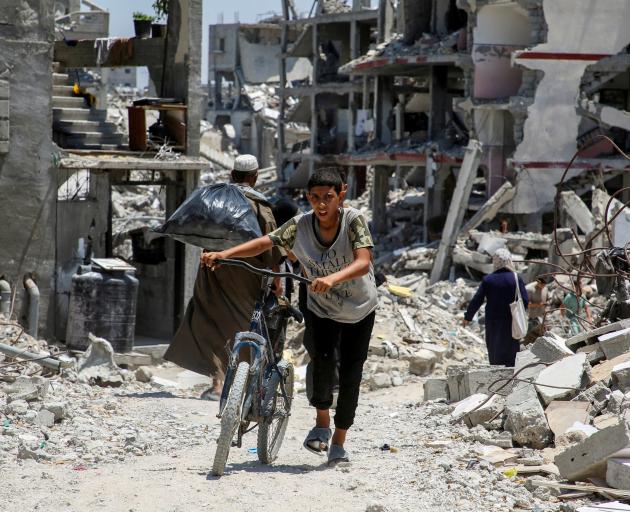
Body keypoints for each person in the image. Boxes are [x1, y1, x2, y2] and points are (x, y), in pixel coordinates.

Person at [203, 168, 378, 465]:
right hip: (321, 306)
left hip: (359, 308)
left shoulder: (353, 221)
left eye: (328, 197)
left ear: (342, 194)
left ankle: (339, 439)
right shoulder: (300, 225)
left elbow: (364, 262)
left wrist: (333, 279)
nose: (321, 205)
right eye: (315, 198)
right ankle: (322, 424)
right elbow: (266, 242)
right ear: (308, 197)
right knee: (320, 361)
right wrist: (225, 255)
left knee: (350, 374)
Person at [164, 155, 283, 400]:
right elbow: (272, 246)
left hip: (213, 270)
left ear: (232, 174)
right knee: (242, 325)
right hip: (247, 277)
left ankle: (218, 384)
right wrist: (276, 279)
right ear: (255, 177)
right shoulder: (260, 206)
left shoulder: (218, 200)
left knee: (211, 322)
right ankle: (240, 385)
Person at [462, 248, 528, 366]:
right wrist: (518, 313)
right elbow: (525, 300)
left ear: (495, 262)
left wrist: (468, 317)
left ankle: (496, 374)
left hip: (493, 322)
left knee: (495, 348)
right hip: (512, 321)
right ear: (509, 261)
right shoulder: (516, 278)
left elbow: (477, 300)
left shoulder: (488, 279)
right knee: (511, 349)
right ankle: (511, 376)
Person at [523, 277, 548, 344]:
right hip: (531, 316)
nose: (543, 287)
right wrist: (539, 305)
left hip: (541, 315)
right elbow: (527, 304)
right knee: (529, 333)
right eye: (542, 285)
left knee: (542, 334)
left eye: (544, 285)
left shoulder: (544, 288)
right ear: (539, 283)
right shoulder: (529, 289)